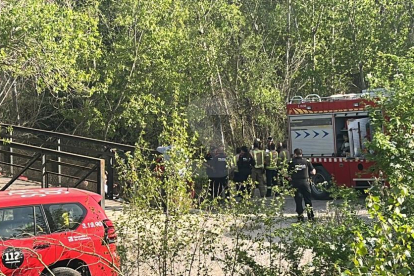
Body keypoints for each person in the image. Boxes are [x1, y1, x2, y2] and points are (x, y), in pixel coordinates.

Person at [287, 148, 316, 222]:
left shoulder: (291, 162)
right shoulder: (306, 161)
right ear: (301, 154)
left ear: (295, 154)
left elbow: (287, 174)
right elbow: (313, 172)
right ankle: (311, 217)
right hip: (305, 183)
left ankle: (300, 218)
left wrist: (289, 178)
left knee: (298, 200)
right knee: (308, 200)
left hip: (296, 183)